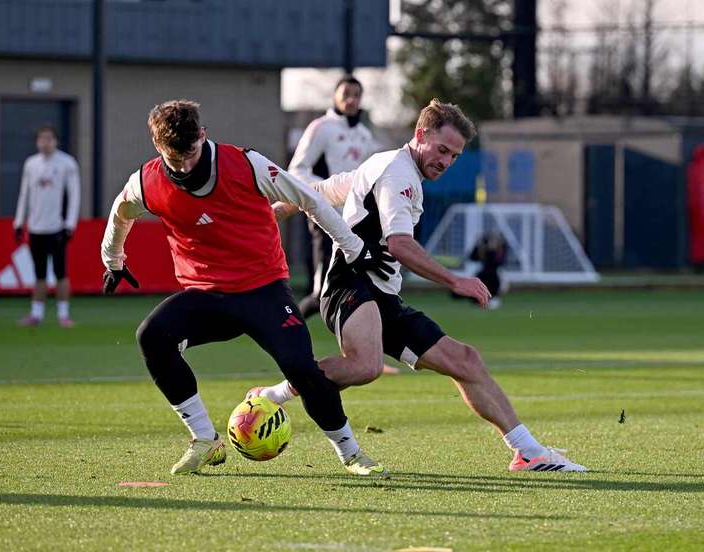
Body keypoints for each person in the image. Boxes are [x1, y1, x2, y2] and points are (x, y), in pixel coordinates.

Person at [254, 99, 588, 473]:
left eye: (455, 156)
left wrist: (279, 208)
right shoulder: (399, 175)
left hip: (381, 293)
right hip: (349, 283)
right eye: (442, 150)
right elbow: (399, 244)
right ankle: (272, 396)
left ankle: (528, 452)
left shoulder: (388, 164)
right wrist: (455, 280)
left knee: (466, 361)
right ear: (420, 135)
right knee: (365, 367)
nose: (446, 161)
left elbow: (331, 188)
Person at [101, 99, 394, 477]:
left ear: (203, 136)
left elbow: (309, 200)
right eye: (176, 159)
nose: (186, 165)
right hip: (206, 297)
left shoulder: (246, 164)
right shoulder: (147, 181)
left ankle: (352, 454)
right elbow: (120, 213)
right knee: (151, 336)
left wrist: (354, 249)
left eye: (191, 153)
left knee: (301, 368)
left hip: (264, 292)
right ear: (158, 148)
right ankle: (205, 440)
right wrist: (113, 260)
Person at [289, 75, 400, 374]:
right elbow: (296, 171)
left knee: (363, 286)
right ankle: (282, 334)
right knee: (321, 290)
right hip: (325, 216)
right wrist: (325, 192)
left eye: (356, 94)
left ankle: (363, 354)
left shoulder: (364, 134)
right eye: (346, 93)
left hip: (356, 221)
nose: (351, 99)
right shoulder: (321, 128)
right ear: (336, 96)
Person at [13, 125, 80, 328]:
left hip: (57, 228)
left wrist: (70, 225)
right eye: (42, 138)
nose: (45, 142)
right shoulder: (31, 164)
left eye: (49, 138)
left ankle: (63, 315)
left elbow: (75, 195)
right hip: (35, 228)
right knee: (39, 273)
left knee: (60, 272)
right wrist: (18, 222)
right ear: (37, 142)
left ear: (56, 141)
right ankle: (36, 314)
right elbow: (24, 194)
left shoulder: (67, 163)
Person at [469, 230, 507, 310]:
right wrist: (478, 244)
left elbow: (498, 262)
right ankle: (481, 300)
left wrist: (492, 250)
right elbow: (473, 257)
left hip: (495, 275)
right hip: (484, 274)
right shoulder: (483, 249)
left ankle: (492, 299)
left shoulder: (500, 249)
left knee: (495, 283)